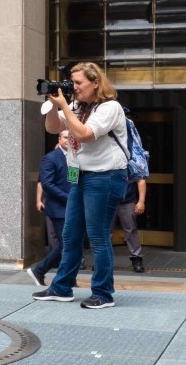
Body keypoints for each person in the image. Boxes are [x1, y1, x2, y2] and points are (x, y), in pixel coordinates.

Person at [34, 63, 129, 309]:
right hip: (79, 176)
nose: (73, 88)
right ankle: (62, 287)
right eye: (71, 83)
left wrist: (65, 105)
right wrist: (55, 106)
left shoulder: (110, 107)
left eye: (78, 83)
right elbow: (53, 128)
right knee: (70, 234)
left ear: (95, 82)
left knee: (97, 236)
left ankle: (103, 293)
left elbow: (85, 134)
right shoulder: (76, 106)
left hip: (105, 176)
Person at [29, 130, 73, 286]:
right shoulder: (50, 158)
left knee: (68, 245)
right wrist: (68, 198)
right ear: (59, 139)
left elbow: (73, 180)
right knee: (67, 245)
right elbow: (47, 184)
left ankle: (48, 273)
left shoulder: (74, 157)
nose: (69, 140)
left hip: (72, 208)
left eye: (71, 137)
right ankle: (41, 270)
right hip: (58, 209)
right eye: (66, 137)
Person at [115, 172, 147, 275]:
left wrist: (141, 201)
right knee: (105, 231)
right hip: (108, 199)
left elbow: (141, 179)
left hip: (127, 200)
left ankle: (136, 258)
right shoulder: (106, 156)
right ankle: (101, 260)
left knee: (131, 230)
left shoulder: (133, 158)